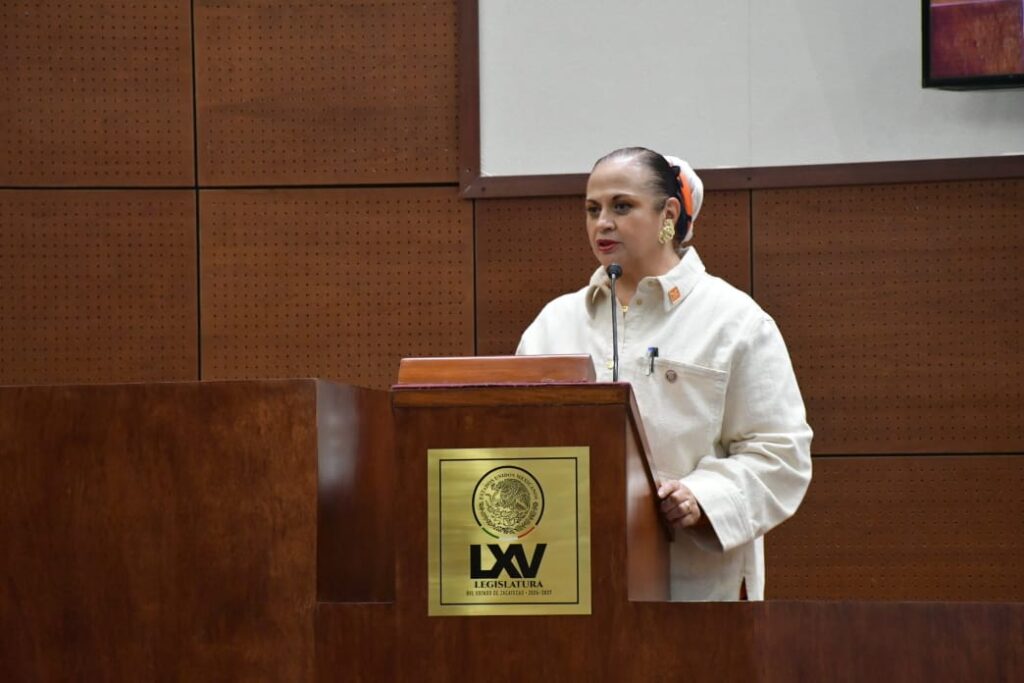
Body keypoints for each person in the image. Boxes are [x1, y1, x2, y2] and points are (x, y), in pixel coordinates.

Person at [516, 147, 812, 601]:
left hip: (693, 590)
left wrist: (701, 496)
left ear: (668, 215)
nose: (602, 223)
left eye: (621, 206)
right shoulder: (554, 322)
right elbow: (516, 441)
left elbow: (780, 454)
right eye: (592, 209)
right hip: (569, 585)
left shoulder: (734, 321)